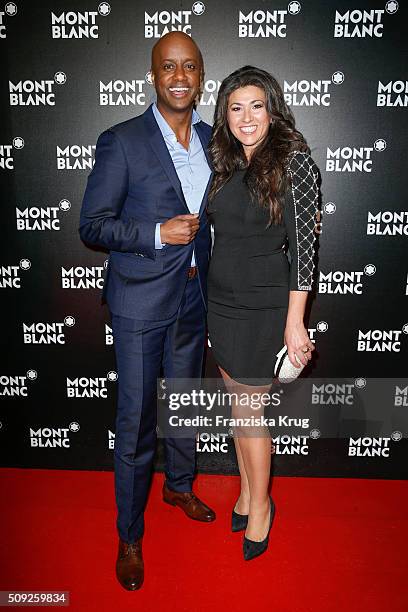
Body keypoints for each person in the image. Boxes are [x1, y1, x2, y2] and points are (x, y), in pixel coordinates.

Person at [79, 32, 215, 591]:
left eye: (188, 67)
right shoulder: (122, 141)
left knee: (183, 402)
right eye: (168, 67)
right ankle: (130, 534)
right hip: (138, 301)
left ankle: (178, 485)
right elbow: (92, 225)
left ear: (201, 76)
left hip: (195, 296)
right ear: (154, 76)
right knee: (135, 423)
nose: (178, 76)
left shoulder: (214, 138)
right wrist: (155, 232)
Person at [207, 66, 319, 560]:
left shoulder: (294, 165)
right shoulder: (225, 164)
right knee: (237, 406)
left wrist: (295, 321)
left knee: (251, 413)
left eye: (256, 106)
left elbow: (304, 251)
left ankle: (262, 509)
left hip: (264, 306)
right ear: (225, 115)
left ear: (272, 110)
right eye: (236, 107)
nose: (246, 117)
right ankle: (248, 491)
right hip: (221, 304)